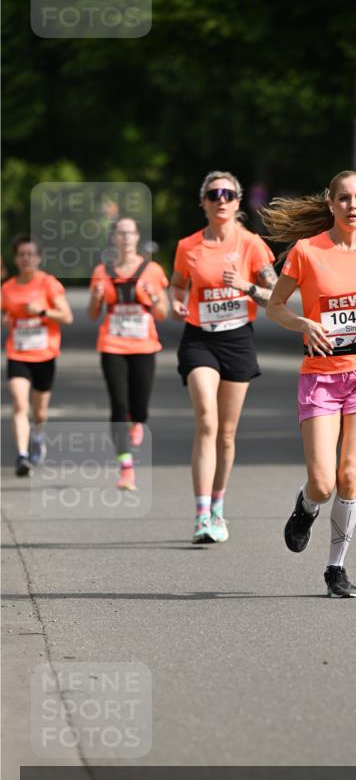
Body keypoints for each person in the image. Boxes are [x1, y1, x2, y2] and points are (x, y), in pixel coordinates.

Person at [263, 170, 356, 598]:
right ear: (331, 204)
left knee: (349, 476)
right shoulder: (307, 252)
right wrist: (304, 322)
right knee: (324, 482)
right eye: (344, 198)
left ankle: (336, 569)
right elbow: (275, 307)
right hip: (320, 376)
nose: (351, 205)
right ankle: (306, 505)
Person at [170, 170, 277, 544]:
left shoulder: (251, 244)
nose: (221, 199)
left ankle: (218, 507)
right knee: (207, 421)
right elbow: (178, 286)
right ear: (203, 202)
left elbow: (276, 295)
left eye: (228, 194)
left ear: (237, 202)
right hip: (199, 339)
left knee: (227, 433)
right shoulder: (188, 247)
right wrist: (176, 303)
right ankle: (201, 515)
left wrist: (246, 286)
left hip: (237, 341)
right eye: (213, 194)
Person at [88, 218, 169, 490]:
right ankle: (126, 468)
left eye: (130, 233)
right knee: (119, 404)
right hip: (112, 344)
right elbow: (92, 314)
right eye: (120, 233)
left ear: (136, 237)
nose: (125, 238)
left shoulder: (152, 270)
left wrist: (153, 297)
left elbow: (163, 313)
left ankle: (137, 422)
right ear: (114, 239)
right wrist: (96, 297)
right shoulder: (102, 270)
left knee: (140, 407)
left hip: (144, 345)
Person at [1, 235, 73, 476]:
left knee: (39, 411)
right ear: (15, 258)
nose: (26, 259)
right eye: (21, 254)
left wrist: (42, 311)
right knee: (20, 404)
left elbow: (67, 316)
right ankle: (22, 456)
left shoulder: (48, 284)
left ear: (38, 258)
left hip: (44, 353)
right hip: (18, 353)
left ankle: (38, 435)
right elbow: (4, 313)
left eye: (30, 254)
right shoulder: (8, 288)